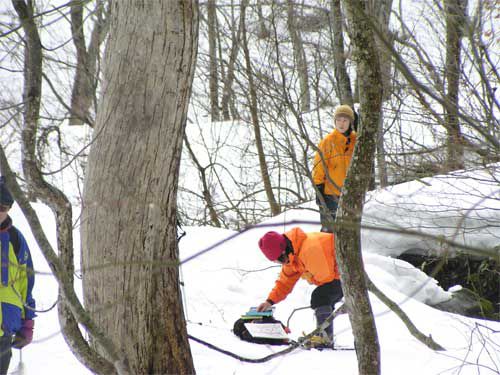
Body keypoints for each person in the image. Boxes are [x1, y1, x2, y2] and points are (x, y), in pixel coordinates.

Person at [256, 227, 343, 348]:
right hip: (335, 275)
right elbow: (284, 282)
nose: (281, 263)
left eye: (279, 260)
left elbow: (326, 278)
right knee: (321, 297)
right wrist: (269, 301)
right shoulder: (292, 256)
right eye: (277, 261)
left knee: (320, 297)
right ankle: (323, 335)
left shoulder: (309, 249)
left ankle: (325, 339)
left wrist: (309, 276)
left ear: (283, 251)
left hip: (346, 274)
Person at [0, 177, 36, 374]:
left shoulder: (16, 239)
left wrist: (27, 322)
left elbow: (26, 284)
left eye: (3, 207)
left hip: (5, 330)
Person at [312, 104, 357, 232]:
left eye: (345, 120)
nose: (341, 124)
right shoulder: (327, 141)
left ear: (350, 122)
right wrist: (318, 188)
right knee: (330, 231)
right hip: (330, 195)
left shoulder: (356, 140)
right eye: (338, 120)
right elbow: (319, 167)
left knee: (347, 231)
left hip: (350, 194)